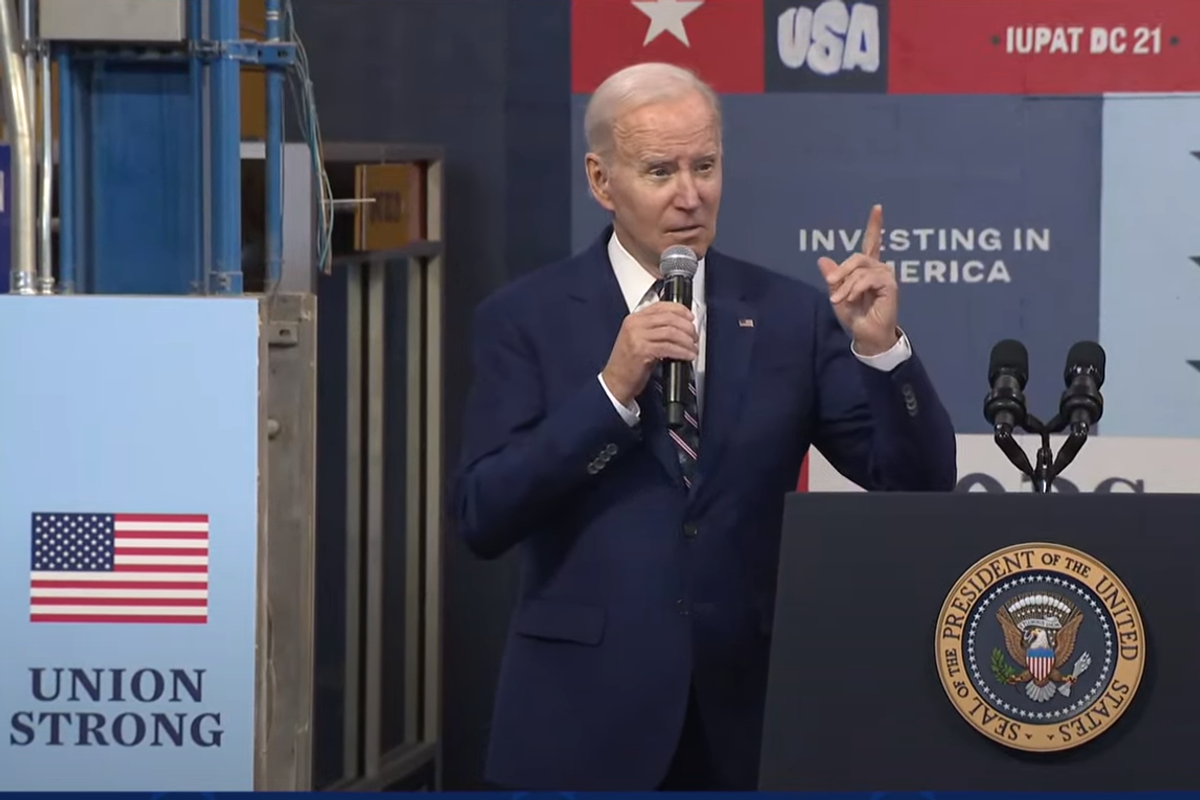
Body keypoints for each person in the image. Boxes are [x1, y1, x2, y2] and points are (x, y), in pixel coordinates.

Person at [449, 62, 957, 791]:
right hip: (582, 722)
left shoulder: (790, 315)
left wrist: (881, 350)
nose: (690, 195)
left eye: (705, 166)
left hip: (750, 721)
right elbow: (483, 514)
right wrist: (611, 393)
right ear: (602, 181)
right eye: (661, 171)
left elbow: (918, 485)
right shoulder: (524, 319)